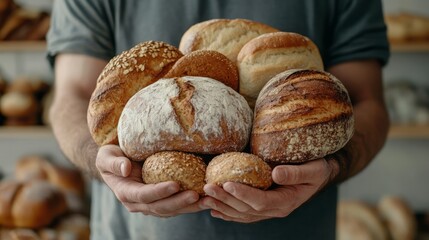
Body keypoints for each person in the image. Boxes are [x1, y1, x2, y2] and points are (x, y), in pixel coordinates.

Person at [47, 0, 390, 239]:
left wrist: (331, 168)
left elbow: (365, 101)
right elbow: (72, 97)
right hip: (135, 232)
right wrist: (102, 162)